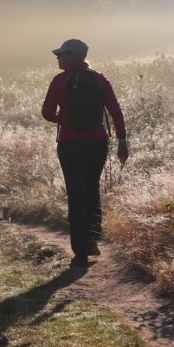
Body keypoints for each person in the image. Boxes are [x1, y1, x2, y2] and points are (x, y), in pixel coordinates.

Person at [42, 38, 128, 267]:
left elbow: (47, 112)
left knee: (76, 194)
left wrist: (65, 119)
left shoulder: (60, 80)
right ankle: (92, 241)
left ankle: (80, 252)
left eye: (61, 54)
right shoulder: (100, 79)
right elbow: (115, 110)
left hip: (69, 144)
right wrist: (122, 140)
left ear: (73, 56)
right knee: (92, 190)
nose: (58, 58)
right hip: (97, 142)